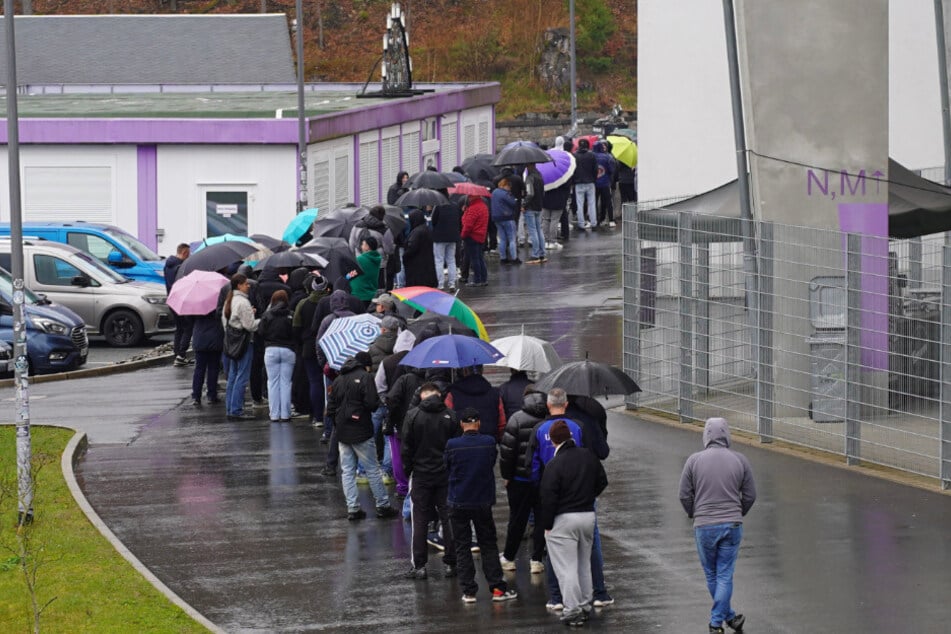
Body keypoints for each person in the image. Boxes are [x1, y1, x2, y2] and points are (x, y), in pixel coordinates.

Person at [531, 388, 613, 610]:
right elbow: (594, 462)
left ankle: (558, 598)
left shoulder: (539, 429)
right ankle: (598, 593)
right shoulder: (580, 426)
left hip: (553, 499)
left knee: (557, 552)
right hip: (583, 501)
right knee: (588, 550)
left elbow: (534, 465)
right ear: (565, 404)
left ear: (548, 405)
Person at [679, 417, 756, 634]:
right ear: (727, 435)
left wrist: (693, 512)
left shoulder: (694, 461)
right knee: (724, 574)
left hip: (703, 525)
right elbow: (750, 495)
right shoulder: (740, 460)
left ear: (706, 436)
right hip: (731, 524)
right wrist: (738, 512)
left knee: (712, 575)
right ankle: (728, 617)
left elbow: (684, 494)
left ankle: (716, 623)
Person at [537, 420, 608, 627]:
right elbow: (602, 481)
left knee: (566, 567)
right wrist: (587, 497)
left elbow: (548, 497)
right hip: (587, 515)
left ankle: (572, 610)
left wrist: (547, 524)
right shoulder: (588, 457)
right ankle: (585, 604)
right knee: (583, 562)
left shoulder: (554, 465)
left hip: (562, 519)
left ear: (554, 441)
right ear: (570, 436)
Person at [445, 407, 518, 603]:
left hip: (458, 501)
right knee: (488, 544)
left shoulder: (452, 445)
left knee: (462, 546)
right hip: (482, 501)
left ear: (461, 424)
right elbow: (492, 461)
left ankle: (468, 591)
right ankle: (496, 588)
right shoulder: (488, 442)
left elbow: (447, 467)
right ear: (478, 423)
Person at [326, 351, 398, 521]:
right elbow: (372, 404)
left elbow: (330, 408)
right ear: (366, 365)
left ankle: (353, 508)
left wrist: (338, 423)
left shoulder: (338, 380)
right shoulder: (365, 378)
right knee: (373, 469)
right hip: (361, 431)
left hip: (342, 432)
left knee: (347, 471)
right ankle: (382, 505)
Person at [401, 383, 460, 580]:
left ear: (422, 395)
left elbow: (406, 448)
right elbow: (455, 446)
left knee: (420, 520)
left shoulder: (413, 416)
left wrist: (409, 469)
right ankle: (452, 563)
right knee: (448, 517)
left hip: (421, 474)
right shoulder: (451, 416)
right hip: (445, 475)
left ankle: (419, 565)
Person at [498, 388, 549, 574]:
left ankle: (509, 557)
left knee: (517, 520)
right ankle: (536, 560)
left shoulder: (516, 419)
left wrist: (507, 476)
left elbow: (507, 452)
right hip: (543, 480)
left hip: (519, 480)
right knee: (541, 519)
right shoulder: (548, 419)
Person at [293, 273, 331, 427]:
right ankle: (329, 415)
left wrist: (301, 341)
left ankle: (317, 417)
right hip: (328, 347)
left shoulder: (303, 303)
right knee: (329, 382)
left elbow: (296, 326)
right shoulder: (329, 303)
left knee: (314, 381)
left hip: (308, 346)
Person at [222, 273, 260, 420]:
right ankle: (237, 410)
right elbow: (250, 326)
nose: (248, 285)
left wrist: (250, 314)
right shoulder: (243, 302)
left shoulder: (229, 300)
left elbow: (226, 321)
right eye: (246, 283)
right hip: (244, 342)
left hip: (232, 342)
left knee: (232, 376)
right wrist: (262, 320)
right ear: (239, 285)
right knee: (242, 377)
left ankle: (230, 408)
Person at [257, 289, 296, 422]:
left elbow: (260, 331)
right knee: (286, 382)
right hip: (288, 350)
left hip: (271, 350)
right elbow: (295, 332)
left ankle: (274, 414)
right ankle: (286, 414)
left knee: (272, 382)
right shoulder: (291, 314)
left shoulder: (267, 315)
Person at [444, 365, 506, 441]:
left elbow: (446, 422)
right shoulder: (494, 394)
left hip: (460, 445)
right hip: (489, 445)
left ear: (465, 371)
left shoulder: (452, 395)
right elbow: (502, 424)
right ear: (482, 371)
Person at [165, 243, 193, 366]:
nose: (189, 256)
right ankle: (181, 354)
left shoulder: (168, 265)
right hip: (181, 300)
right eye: (189, 253)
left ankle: (177, 353)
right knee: (188, 327)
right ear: (185, 253)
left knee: (179, 328)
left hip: (172, 300)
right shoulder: (181, 267)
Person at [189, 307, 222, 407]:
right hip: (215, 338)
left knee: (199, 369)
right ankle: (212, 395)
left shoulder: (195, 306)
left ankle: (196, 396)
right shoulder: (217, 305)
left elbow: (188, 320)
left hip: (199, 339)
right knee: (213, 369)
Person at [430, 198, 462, 291]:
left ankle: (440, 284)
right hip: (453, 236)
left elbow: (433, 220)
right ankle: (452, 284)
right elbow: (459, 219)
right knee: (451, 260)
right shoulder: (455, 205)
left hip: (439, 237)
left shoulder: (438, 206)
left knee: (439, 260)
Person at [403, 208, 438, 288]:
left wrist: (405, 255)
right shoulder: (426, 229)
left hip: (416, 267)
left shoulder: (416, 232)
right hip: (427, 265)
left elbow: (412, 247)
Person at [460, 194, 489, 287]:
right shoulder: (483, 206)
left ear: (473, 197)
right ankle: (483, 279)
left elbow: (467, 224)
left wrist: (462, 236)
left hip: (472, 236)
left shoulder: (473, 208)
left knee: (474, 259)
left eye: (469, 197)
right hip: (481, 236)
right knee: (480, 258)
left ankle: (477, 280)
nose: (468, 198)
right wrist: (466, 211)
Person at [491, 178, 520, 265]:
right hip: (507, 217)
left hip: (496, 218)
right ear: (505, 185)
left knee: (502, 239)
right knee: (512, 239)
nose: (510, 188)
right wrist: (514, 198)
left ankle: (503, 258)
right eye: (509, 186)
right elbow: (513, 203)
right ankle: (514, 258)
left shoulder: (494, 192)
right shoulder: (505, 194)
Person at [522, 163, 547, 264]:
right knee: (539, 230)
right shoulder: (540, 176)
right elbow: (543, 192)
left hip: (531, 207)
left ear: (528, 166)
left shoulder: (529, 178)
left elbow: (530, 193)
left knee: (533, 231)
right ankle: (542, 254)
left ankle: (535, 255)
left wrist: (524, 204)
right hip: (539, 206)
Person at [573, 138, 598, 230]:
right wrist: (594, 179)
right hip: (590, 182)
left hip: (578, 182)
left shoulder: (574, 155)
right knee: (592, 203)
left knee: (579, 204)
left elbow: (573, 170)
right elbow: (595, 169)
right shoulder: (591, 155)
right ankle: (593, 222)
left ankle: (581, 223)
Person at [349, 236, 382, 307]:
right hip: (372, 292)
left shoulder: (360, 259)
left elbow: (350, 274)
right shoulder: (377, 259)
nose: (361, 246)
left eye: (363, 244)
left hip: (359, 293)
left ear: (367, 247)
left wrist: (347, 276)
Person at [593, 141, 617, 228]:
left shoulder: (592, 156)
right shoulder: (607, 157)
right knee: (608, 202)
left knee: (594, 202)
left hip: (595, 183)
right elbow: (611, 170)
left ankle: (595, 219)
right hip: (605, 182)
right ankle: (610, 220)